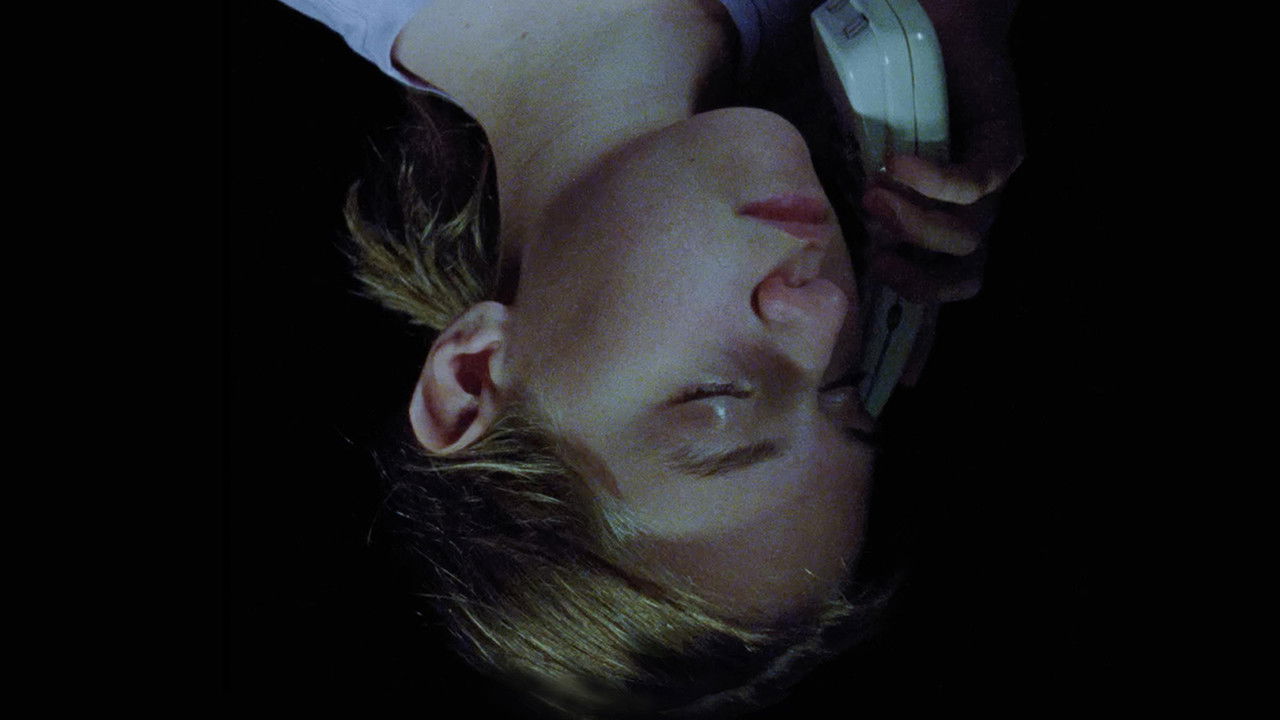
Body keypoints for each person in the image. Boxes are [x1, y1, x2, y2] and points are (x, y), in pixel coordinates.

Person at [277, 0, 1023, 715]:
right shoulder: (839, 39)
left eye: (717, 399)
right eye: (844, 386)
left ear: (472, 375)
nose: (825, 309)